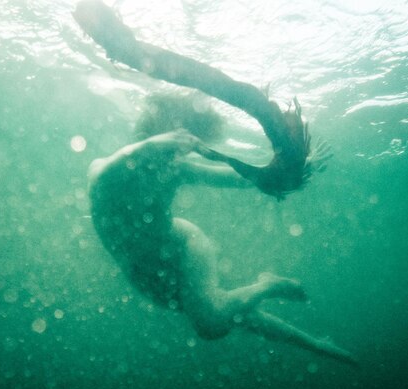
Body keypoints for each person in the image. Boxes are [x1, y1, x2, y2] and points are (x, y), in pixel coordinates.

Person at [87, 94, 358, 367]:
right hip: (144, 270)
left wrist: (303, 166)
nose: (172, 159)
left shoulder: (176, 168)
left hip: (182, 246)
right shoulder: (105, 168)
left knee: (210, 322)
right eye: (169, 149)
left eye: (177, 152)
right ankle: (316, 344)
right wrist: (152, 145)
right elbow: (109, 171)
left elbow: (240, 178)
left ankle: (269, 285)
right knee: (233, 313)